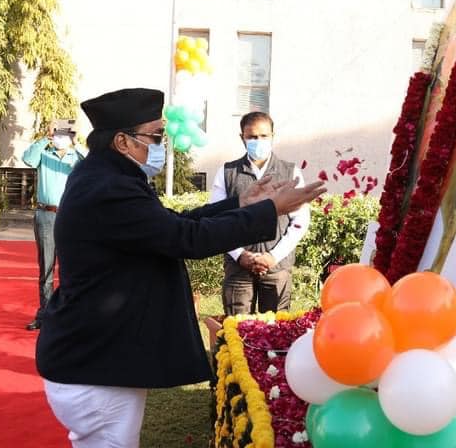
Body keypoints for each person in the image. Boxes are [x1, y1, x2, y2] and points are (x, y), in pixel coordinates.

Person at [36, 88, 324, 448]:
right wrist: (270, 210)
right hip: (96, 364)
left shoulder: (105, 176)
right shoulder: (110, 188)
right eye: (156, 137)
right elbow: (186, 238)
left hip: (97, 357)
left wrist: (241, 203)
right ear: (123, 141)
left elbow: (173, 222)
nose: (162, 145)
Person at [212, 111, 309, 315]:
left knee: (276, 327)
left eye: (264, 136)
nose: (258, 141)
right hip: (238, 268)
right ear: (242, 138)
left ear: (273, 135)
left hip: (276, 267)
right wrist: (240, 255)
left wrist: (273, 256)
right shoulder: (227, 173)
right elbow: (217, 219)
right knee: (237, 328)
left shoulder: (290, 172)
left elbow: (300, 221)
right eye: (252, 137)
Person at [21, 120, 86, 331]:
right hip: (46, 215)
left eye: (64, 134)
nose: (60, 137)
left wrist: (75, 143)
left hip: (70, 216)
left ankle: (69, 315)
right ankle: (45, 315)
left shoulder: (76, 157)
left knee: (71, 268)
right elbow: (27, 159)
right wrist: (46, 137)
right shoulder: (44, 154)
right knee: (46, 268)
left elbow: (92, 163)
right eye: (57, 134)